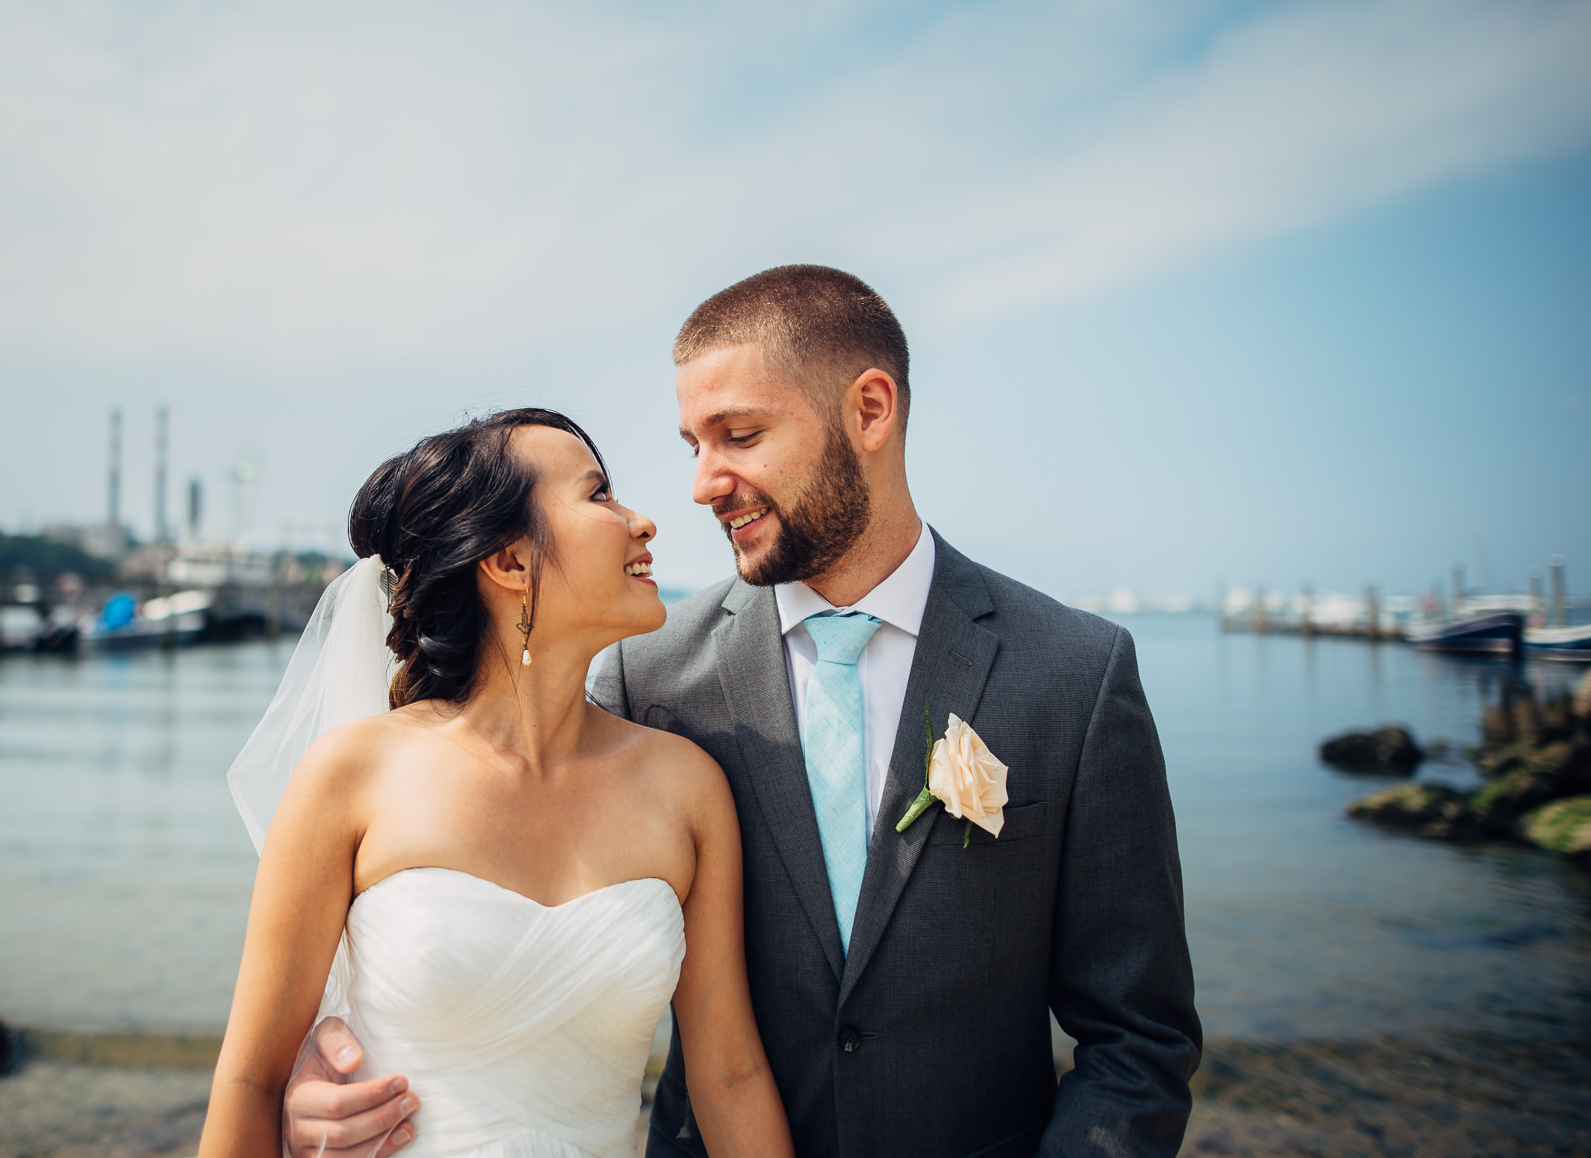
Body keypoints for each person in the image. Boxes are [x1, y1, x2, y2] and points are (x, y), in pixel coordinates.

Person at [290, 267, 1201, 1157]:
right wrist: (330, 1065)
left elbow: (1138, 1039)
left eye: (739, 435)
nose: (702, 483)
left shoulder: (1075, 675)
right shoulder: (647, 677)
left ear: (870, 410)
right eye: (694, 444)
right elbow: (478, 932)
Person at [199, 408, 796, 1158]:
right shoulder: (352, 776)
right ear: (510, 562)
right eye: (599, 496)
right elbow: (251, 1081)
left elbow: (730, 1076)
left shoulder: (687, 787)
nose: (643, 522)